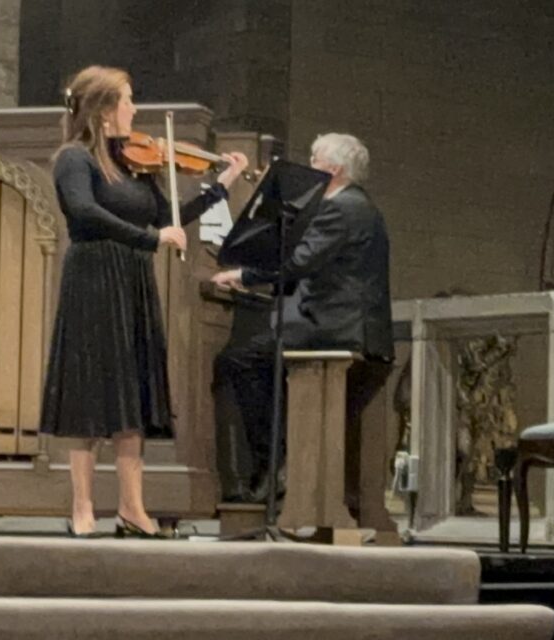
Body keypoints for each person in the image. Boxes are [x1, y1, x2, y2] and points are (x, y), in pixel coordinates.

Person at [41, 65, 249, 537]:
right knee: (92, 395)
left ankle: (133, 508)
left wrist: (224, 184)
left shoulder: (135, 164)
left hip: (132, 279)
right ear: (104, 109)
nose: (135, 109)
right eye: (128, 100)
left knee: (131, 394)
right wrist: (150, 238)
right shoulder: (75, 160)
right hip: (93, 278)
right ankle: (82, 509)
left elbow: (171, 216)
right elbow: (84, 211)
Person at [211, 133, 393, 509]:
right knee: (264, 359)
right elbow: (316, 267)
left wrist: (242, 275)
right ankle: (280, 457)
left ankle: (274, 460)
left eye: (314, 160)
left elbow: (298, 262)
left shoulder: (340, 207)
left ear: (333, 170)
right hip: (347, 326)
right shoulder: (360, 206)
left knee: (240, 361)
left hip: (336, 330)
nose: (309, 168)